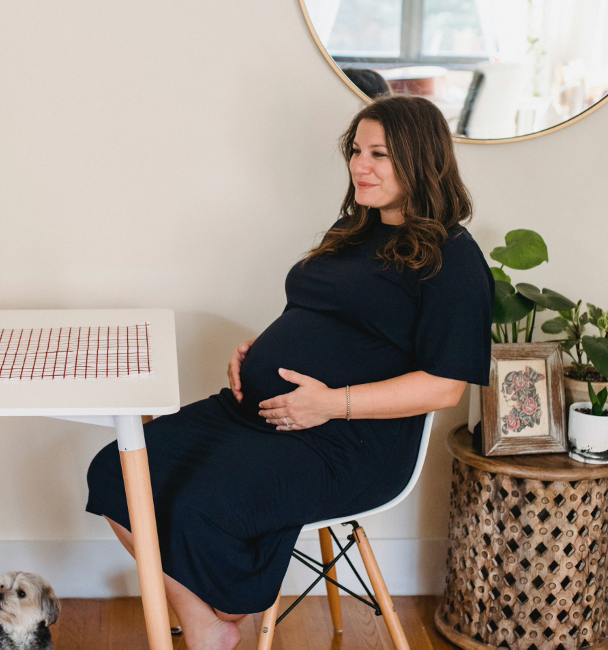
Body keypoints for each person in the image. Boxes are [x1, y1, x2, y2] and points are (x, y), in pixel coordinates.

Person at [85, 95, 494, 650]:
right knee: (116, 469)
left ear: (422, 160)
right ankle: (207, 622)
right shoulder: (353, 229)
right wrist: (257, 351)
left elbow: (446, 386)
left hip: (345, 440)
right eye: (355, 151)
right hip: (254, 413)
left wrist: (330, 403)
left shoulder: (453, 259)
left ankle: (226, 611)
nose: (359, 166)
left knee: (198, 502)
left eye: (379, 154)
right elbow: (320, 315)